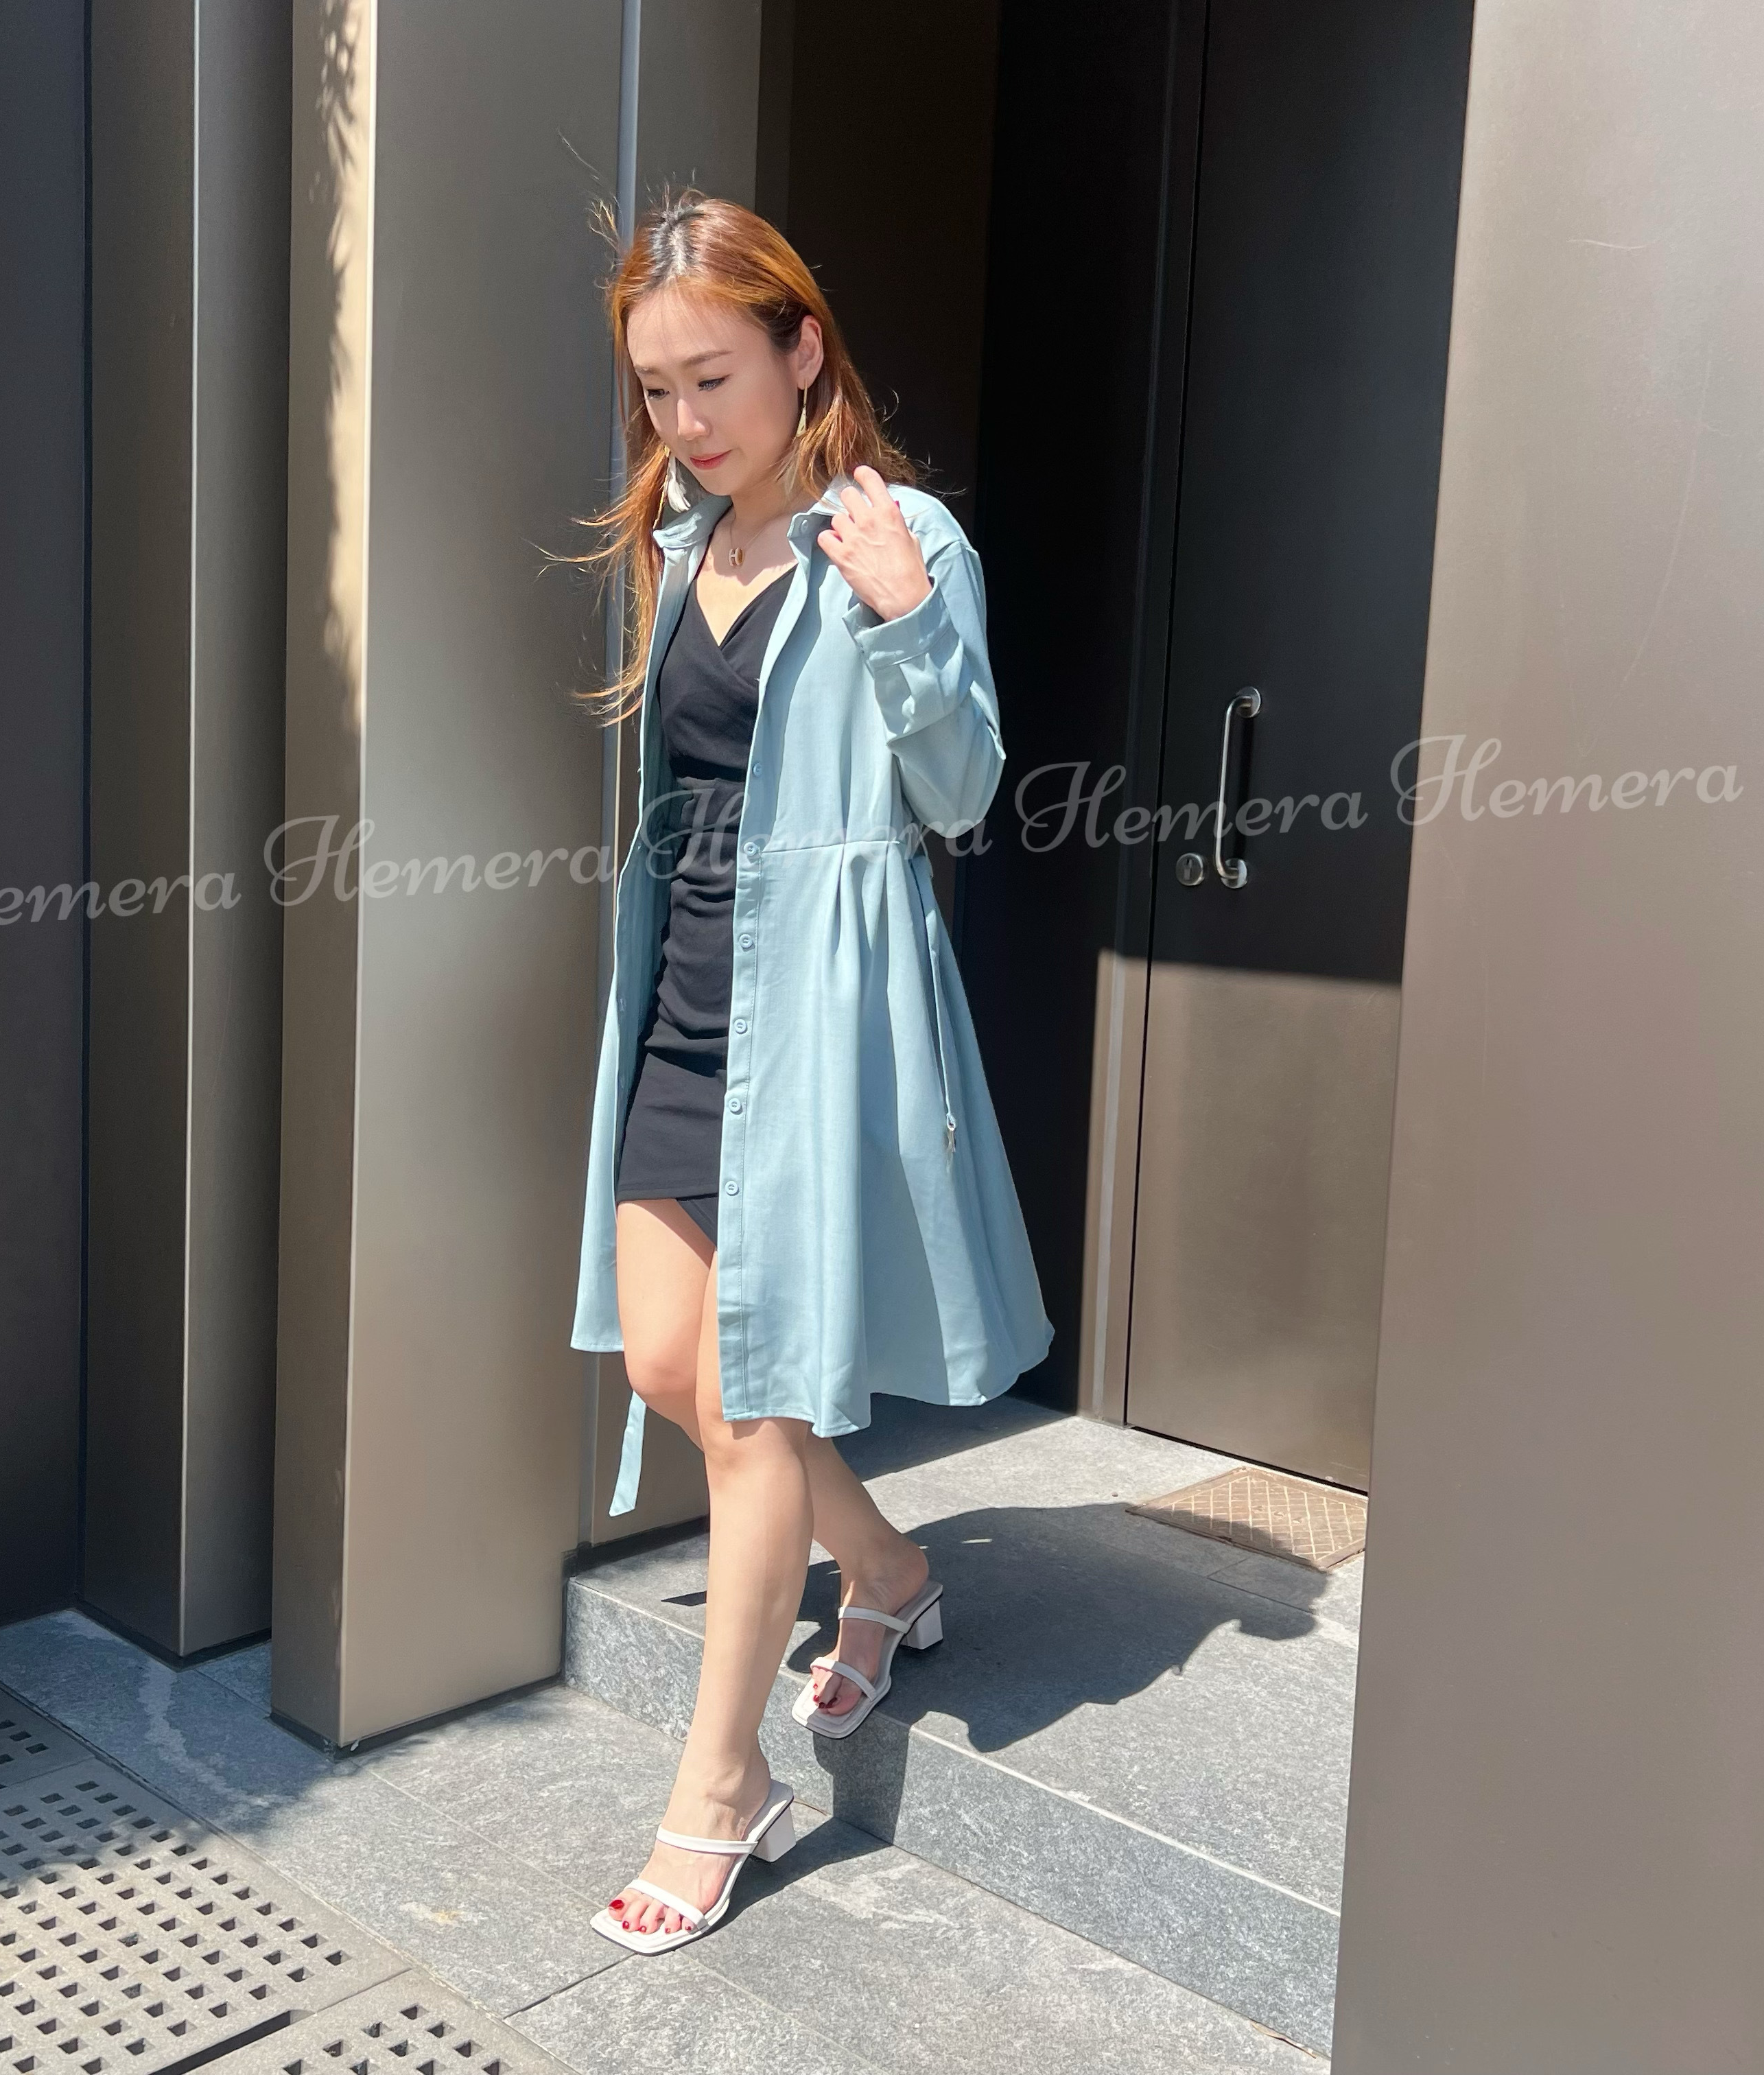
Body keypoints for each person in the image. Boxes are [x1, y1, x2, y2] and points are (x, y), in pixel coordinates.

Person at [564, 187, 1052, 1953]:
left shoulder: (896, 536)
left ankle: (720, 1789)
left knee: (750, 1398)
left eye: (713, 379)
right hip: (682, 1002)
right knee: (673, 1362)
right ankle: (894, 1572)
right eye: (656, 389)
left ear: (802, 351)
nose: (685, 420)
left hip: (813, 1015)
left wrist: (911, 618)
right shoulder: (685, 542)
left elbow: (961, 797)